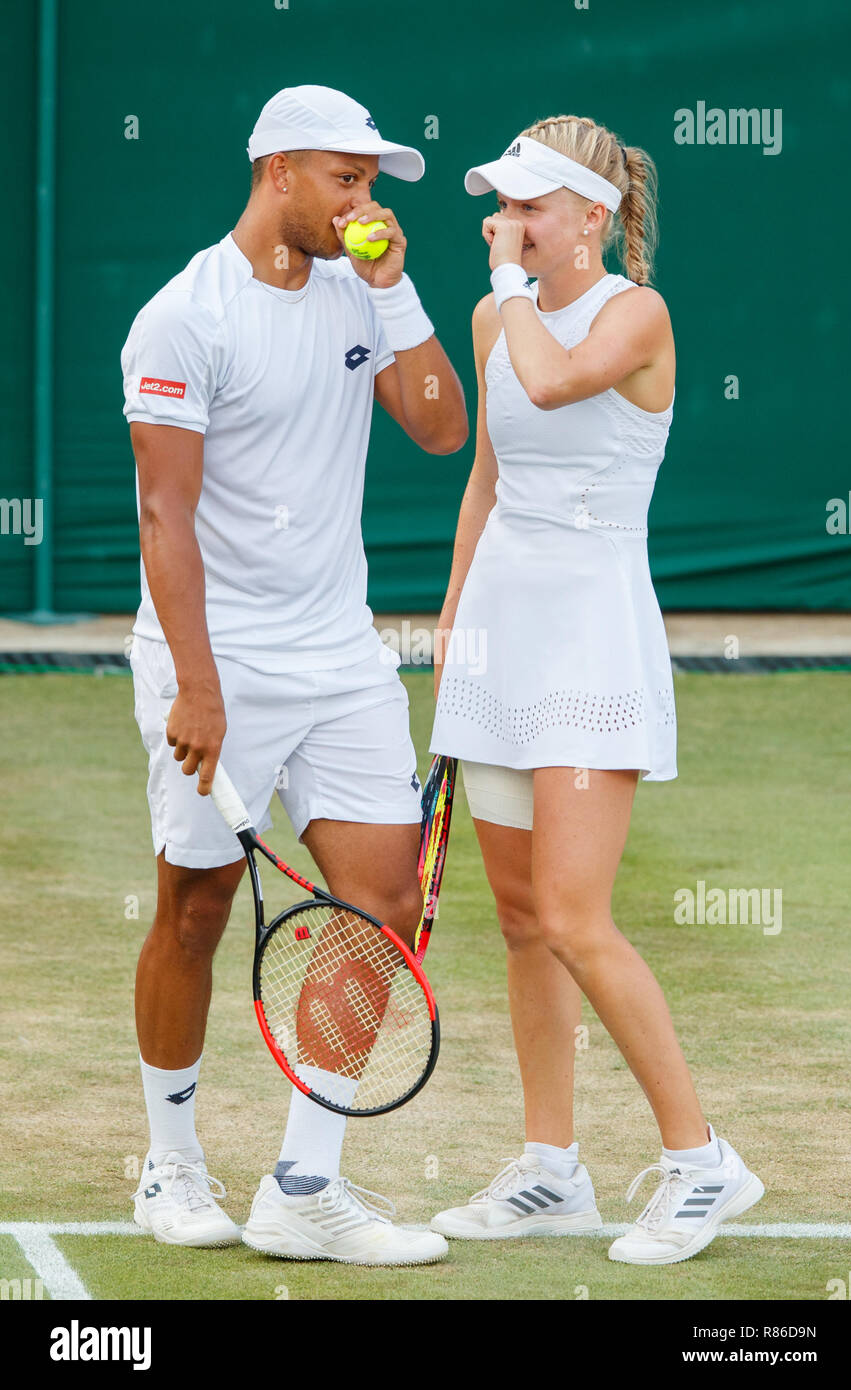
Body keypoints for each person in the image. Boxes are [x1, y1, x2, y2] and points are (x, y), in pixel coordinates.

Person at [120, 84, 468, 1266]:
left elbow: (439, 429)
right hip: (215, 657)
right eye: (345, 179)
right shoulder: (185, 317)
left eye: (371, 182)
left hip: (342, 658)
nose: (363, 202)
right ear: (278, 173)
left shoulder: (360, 293)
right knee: (196, 907)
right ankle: (168, 1166)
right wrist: (198, 685)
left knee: (381, 904)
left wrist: (394, 288)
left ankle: (303, 1185)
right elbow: (165, 515)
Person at [427, 115, 763, 1264]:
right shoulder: (492, 314)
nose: (508, 221)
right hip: (502, 635)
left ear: (592, 217)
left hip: (593, 643)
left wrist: (505, 283)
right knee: (522, 921)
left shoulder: (634, 315)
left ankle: (700, 1160)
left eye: (529, 204)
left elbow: (558, 381)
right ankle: (550, 1167)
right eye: (504, 202)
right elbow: (487, 476)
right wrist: (454, 622)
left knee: (574, 913)